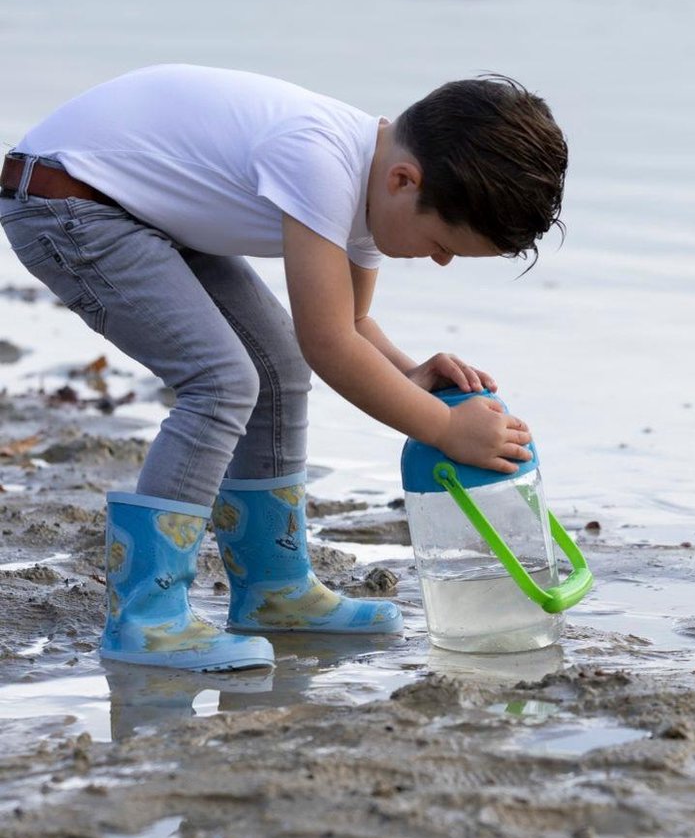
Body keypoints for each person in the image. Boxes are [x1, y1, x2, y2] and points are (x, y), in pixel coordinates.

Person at [0, 64, 567, 673]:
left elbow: (347, 326)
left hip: (140, 210)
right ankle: (146, 619)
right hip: (66, 199)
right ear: (407, 181)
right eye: (441, 245)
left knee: (278, 369)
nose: (442, 262)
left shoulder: (379, 184)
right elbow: (330, 345)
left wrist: (408, 374)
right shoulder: (321, 163)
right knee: (222, 382)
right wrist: (445, 430)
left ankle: (274, 591)